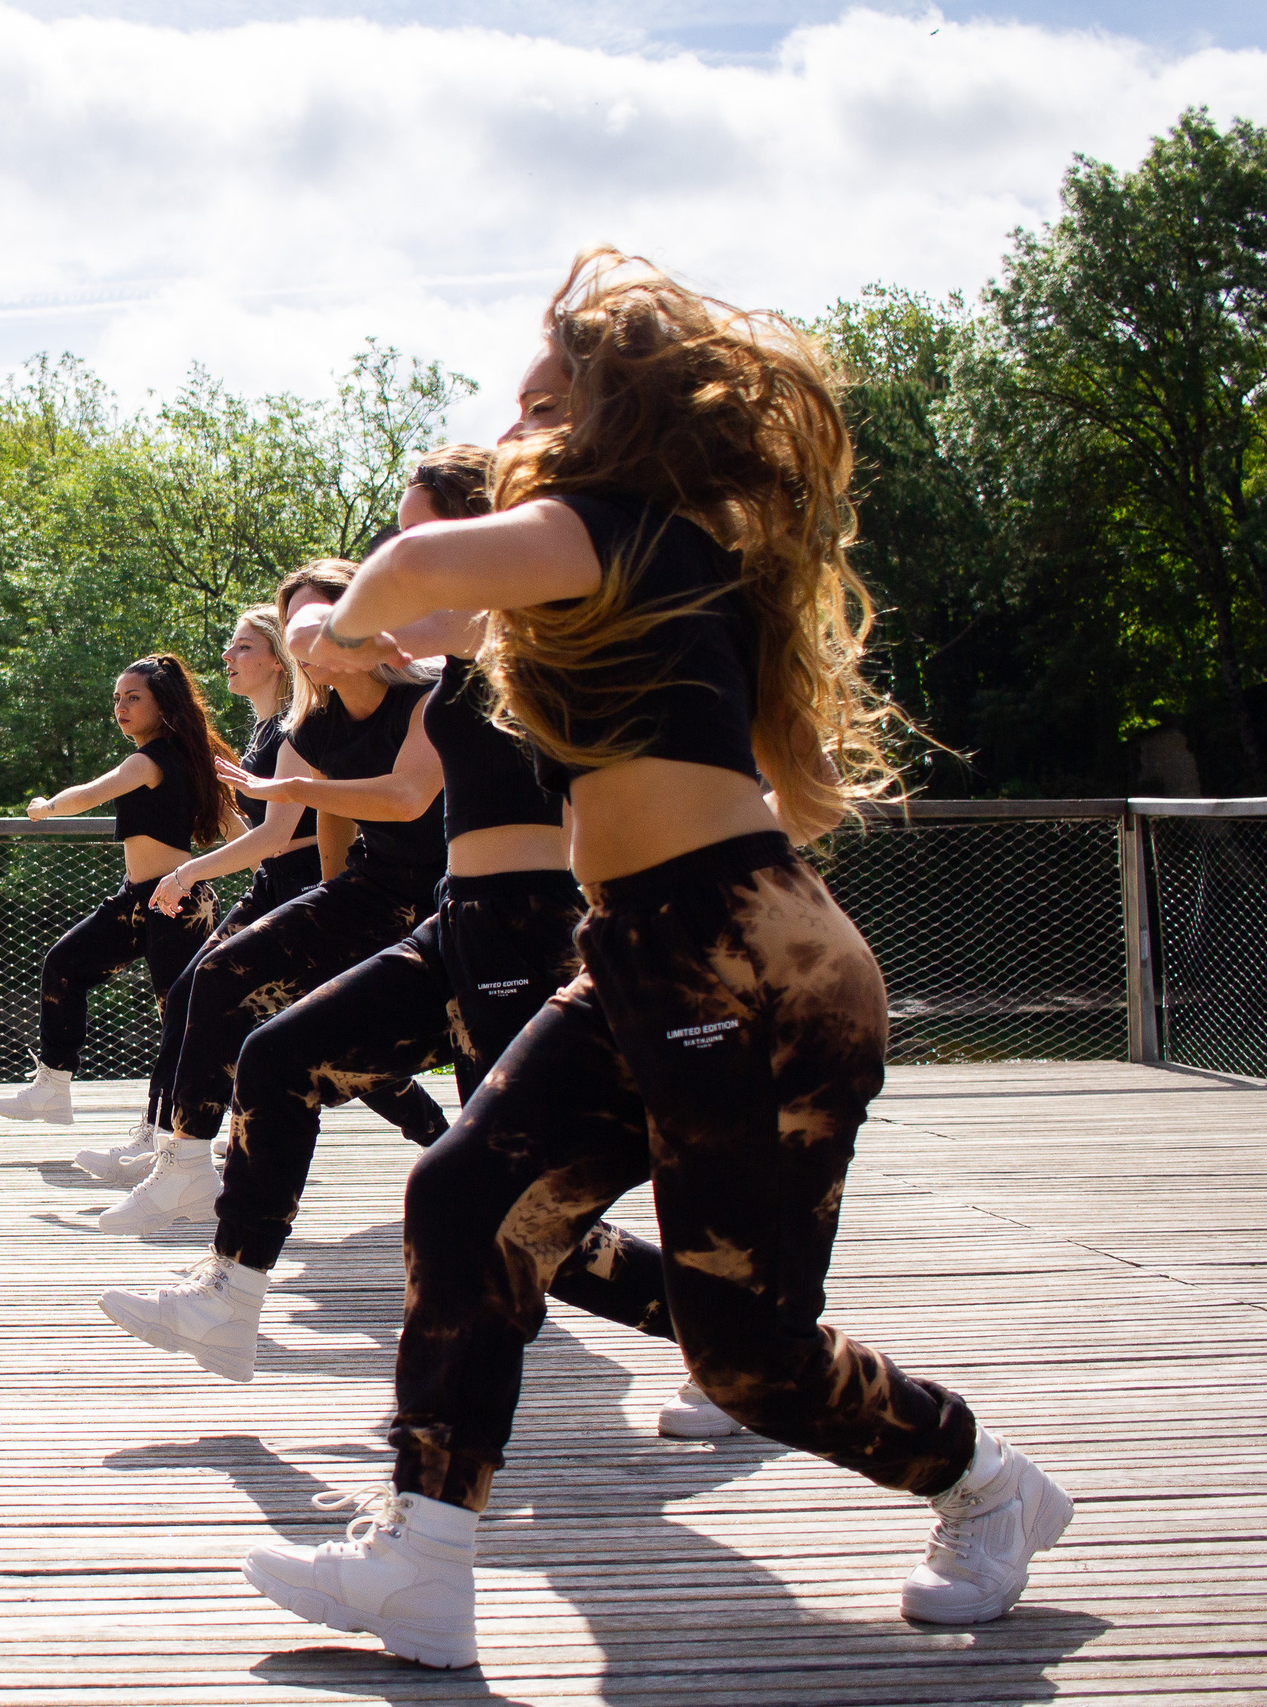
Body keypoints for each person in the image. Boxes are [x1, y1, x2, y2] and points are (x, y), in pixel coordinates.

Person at [243, 250, 1072, 1668]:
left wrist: (344, 621)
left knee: (745, 1357)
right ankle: (427, 1564)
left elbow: (411, 577)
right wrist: (379, 635)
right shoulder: (608, 554)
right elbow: (451, 611)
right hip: (640, 948)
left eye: (528, 401)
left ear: (591, 413)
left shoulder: (608, 526)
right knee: (465, 1197)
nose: (505, 427)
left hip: (749, 959)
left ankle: (990, 1483)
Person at [97, 446, 731, 1440]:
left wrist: (334, 630)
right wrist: (348, 649)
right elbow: (363, 672)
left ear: (477, 533)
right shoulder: (452, 658)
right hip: (456, 918)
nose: (396, 547)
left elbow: (343, 634)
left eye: (414, 529)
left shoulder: (523, 621)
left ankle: (732, 1344)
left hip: (530, 924)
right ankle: (228, 1295)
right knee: (277, 1055)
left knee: (522, 1210)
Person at [90, 564, 446, 1237]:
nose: (307, 640)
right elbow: (307, 825)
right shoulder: (313, 722)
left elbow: (405, 796)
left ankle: (455, 1152)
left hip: (443, 900)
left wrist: (292, 793)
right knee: (220, 981)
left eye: (317, 622)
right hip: (368, 887)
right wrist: (334, 903)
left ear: (362, 615)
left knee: (353, 1051)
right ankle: (186, 1162)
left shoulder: (428, 696)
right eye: (295, 629)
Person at [73, 607, 320, 1184]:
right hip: (272, 888)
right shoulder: (261, 735)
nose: (227, 658)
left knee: (333, 1044)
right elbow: (251, 832)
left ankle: (438, 1138)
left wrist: (186, 873)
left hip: (309, 893)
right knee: (194, 1000)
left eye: (243, 648)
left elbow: (286, 832)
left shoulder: (295, 729)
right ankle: (170, 1146)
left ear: (280, 658)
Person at [0, 655, 241, 1125]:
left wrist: (47, 806)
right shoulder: (192, 760)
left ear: (162, 705)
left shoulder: (151, 760)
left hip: (178, 906)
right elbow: (239, 833)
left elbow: (90, 794)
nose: (121, 707)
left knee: (181, 1021)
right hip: (137, 901)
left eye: (133, 698)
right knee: (64, 964)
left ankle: (169, 1130)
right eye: (117, 699)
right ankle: (53, 1086)